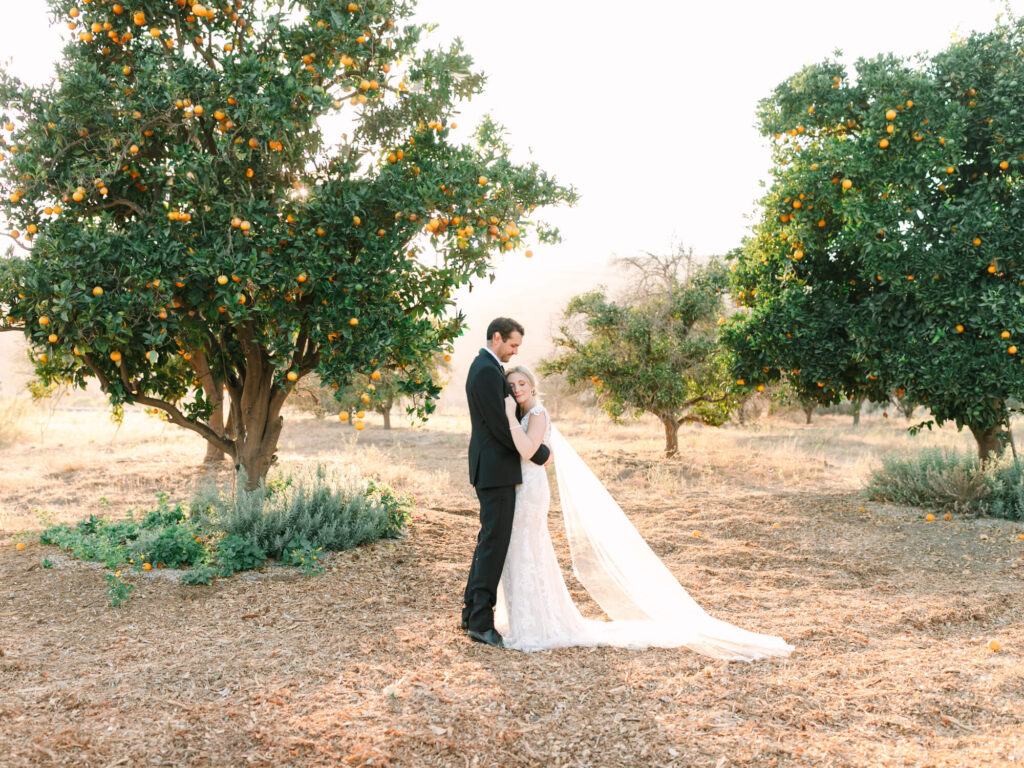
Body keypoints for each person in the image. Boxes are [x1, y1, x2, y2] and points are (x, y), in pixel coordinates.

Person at [494, 365, 794, 660]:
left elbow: (528, 450)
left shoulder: (535, 414)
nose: (517, 389)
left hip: (531, 493)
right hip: (522, 489)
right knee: (522, 549)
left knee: (527, 547)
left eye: (522, 383)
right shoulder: (523, 415)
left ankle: (537, 624)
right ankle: (529, 617)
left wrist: (508, 416)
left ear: (532, 386)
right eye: (512, 386)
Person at [462, 318, 550, 647]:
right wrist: (539, 453)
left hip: (493, 470)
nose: (515, 352)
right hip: (496, 471)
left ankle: (471, 612)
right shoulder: (486, 370)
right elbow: (502, 425)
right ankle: (481, 623)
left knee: (489, 540)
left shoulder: (486, 367)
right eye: (512, 345)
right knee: (493, 545)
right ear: (497, 337)